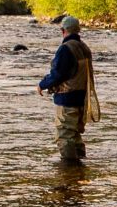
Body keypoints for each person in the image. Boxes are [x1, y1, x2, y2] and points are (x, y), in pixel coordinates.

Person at [37, 15, 99, 166]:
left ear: (63, 31)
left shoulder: (66, 49)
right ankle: (79, 167)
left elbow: (59, 73)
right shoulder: (84, 48)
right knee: (75, 135)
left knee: (64, 135)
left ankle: (70, 168)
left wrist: (42, 84)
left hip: (67, 99)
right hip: (81, 98)